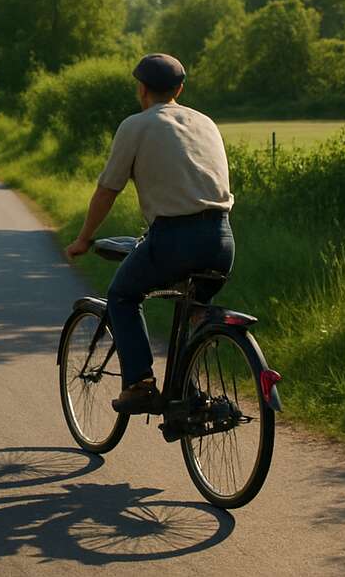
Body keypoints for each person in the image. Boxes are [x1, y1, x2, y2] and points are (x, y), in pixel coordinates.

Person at [63, 53, 235, 414]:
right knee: (193, 308)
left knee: (122, 295)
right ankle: (186, 393)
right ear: (180, 88)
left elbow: (108, 190)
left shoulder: (136, 125)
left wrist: (83, 238)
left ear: (141, 89)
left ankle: (140, 384)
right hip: (222, 239)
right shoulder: (206, 122)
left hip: (174, 238)